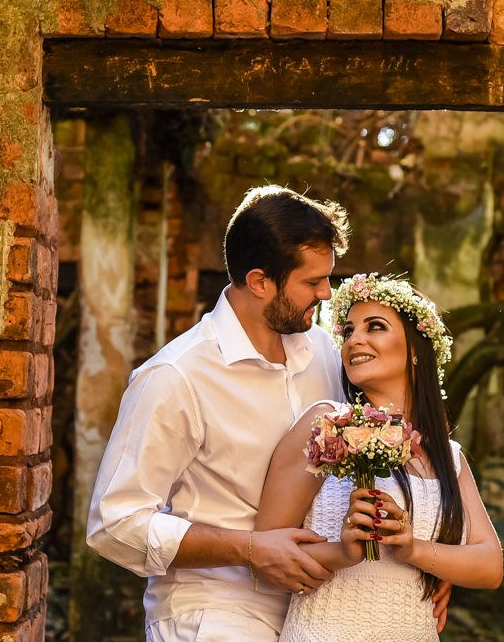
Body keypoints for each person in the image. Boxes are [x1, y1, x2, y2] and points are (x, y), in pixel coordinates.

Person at [87, 186, 450, 641]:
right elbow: (115, 524)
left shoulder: (324, 352)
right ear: (260, 282)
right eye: (312, 281)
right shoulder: (174, 377)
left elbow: (384, 454)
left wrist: (431, 561)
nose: (326, 292)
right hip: (215, 611)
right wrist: (248, 549)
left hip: (319, 608)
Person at [256, 273, 504, 642]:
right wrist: (343, 552)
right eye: (348, 331)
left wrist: (414, 550)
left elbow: (490, 566)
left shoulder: (448, 458)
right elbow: (263, 555)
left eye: (375, 327)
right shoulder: (324, 426)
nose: (355, 339)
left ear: (417, 349)